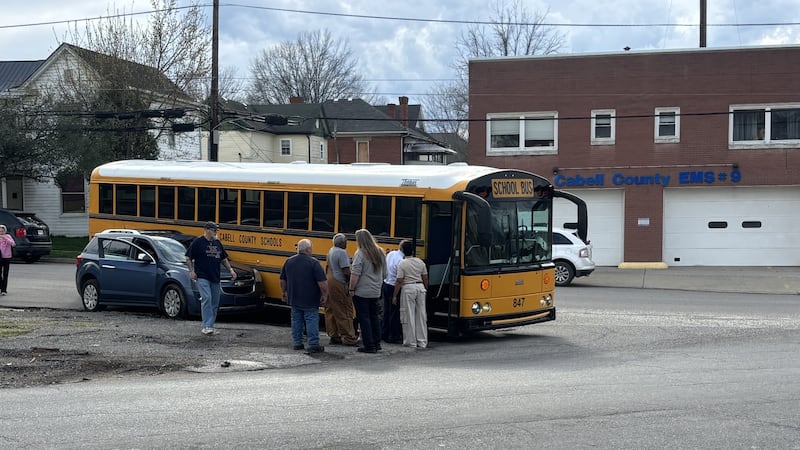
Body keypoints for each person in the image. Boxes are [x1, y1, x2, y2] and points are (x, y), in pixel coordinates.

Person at [185, 221, 237, 335]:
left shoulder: (217, 243)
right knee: (206, 298)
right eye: (214, 230)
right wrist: (191, 271)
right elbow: (188, 258)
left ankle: (210, 326)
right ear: (207, 230)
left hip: (215, 277)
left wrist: (231, 270)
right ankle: (206, 326)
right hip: (202, 276)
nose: (216, 233)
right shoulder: (198, 243)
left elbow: (223, 259)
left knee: (215, 302)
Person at [280, 239, 328, 353]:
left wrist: (284, 292)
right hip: (310, 298)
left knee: (296, 321)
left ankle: (297, 343)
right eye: (311, 248)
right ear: (308, 249)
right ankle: (313, 344)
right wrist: (325, 295)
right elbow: (322, 283)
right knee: (311, 320)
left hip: (294, 297)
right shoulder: (314, 263)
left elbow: (282, 279)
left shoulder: (289, 261)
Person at [348, 229, 386, 354]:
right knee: (374, 317)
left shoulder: (360, 253)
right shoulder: (380, 252)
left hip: (362, 291)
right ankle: (377, 343)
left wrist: (351, 288)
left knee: (364, 318)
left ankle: (369, 345)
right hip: (375, 291)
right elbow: (385, 273)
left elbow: (355, 274)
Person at [392, 240, 429, 349]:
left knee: (408, 316)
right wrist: (425, 288)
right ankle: (422, 341)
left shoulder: (403, 263)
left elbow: (399, 280)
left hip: (408, 288)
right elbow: (425, 277)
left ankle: (410, 342)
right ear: (413, 250)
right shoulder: (420, 262)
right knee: (421, 315)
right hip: (420, 287)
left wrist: (395, 295)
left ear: (402, 251)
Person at [325, 233, 358, 346]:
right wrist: (351, 283)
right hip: (339, 283)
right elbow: (345, 270)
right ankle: (349, 337)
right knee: (344, 310)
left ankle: (334, 335)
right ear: (343, 243)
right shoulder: (342, 253)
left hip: (330, 281)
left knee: (331, 310)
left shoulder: (331, 250)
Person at [381, 241, 404, 344]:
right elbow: (399, 278)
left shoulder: (391, 254)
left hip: (386, 284)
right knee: (394, 312)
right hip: (394, 287)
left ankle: (384, 333)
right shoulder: (402, 260)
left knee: (387, 311)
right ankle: (393, 336)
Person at [0, 224, 16, 295]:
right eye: (0, 232)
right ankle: (1, 285)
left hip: (6, 257)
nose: (1, 233)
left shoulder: (8, 236)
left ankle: (4, 290)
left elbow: (13, 244)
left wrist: (5, 238)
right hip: (0, 257)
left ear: (5, 231)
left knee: (5, 274)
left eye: (2, 231)